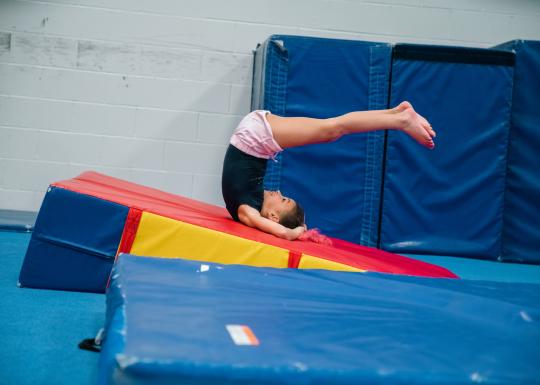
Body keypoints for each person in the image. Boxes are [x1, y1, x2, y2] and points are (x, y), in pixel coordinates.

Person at [221, 101, 436, 241]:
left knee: (332, 129)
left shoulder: (247, 211)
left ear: (273, 216)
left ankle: (401, 119)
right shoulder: (251, 206)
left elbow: (283, 232)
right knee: (332, 129)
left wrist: (296, 232)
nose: (278, 192)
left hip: (256, 136)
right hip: (256, 137)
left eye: (284, 199)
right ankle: (396, 113)